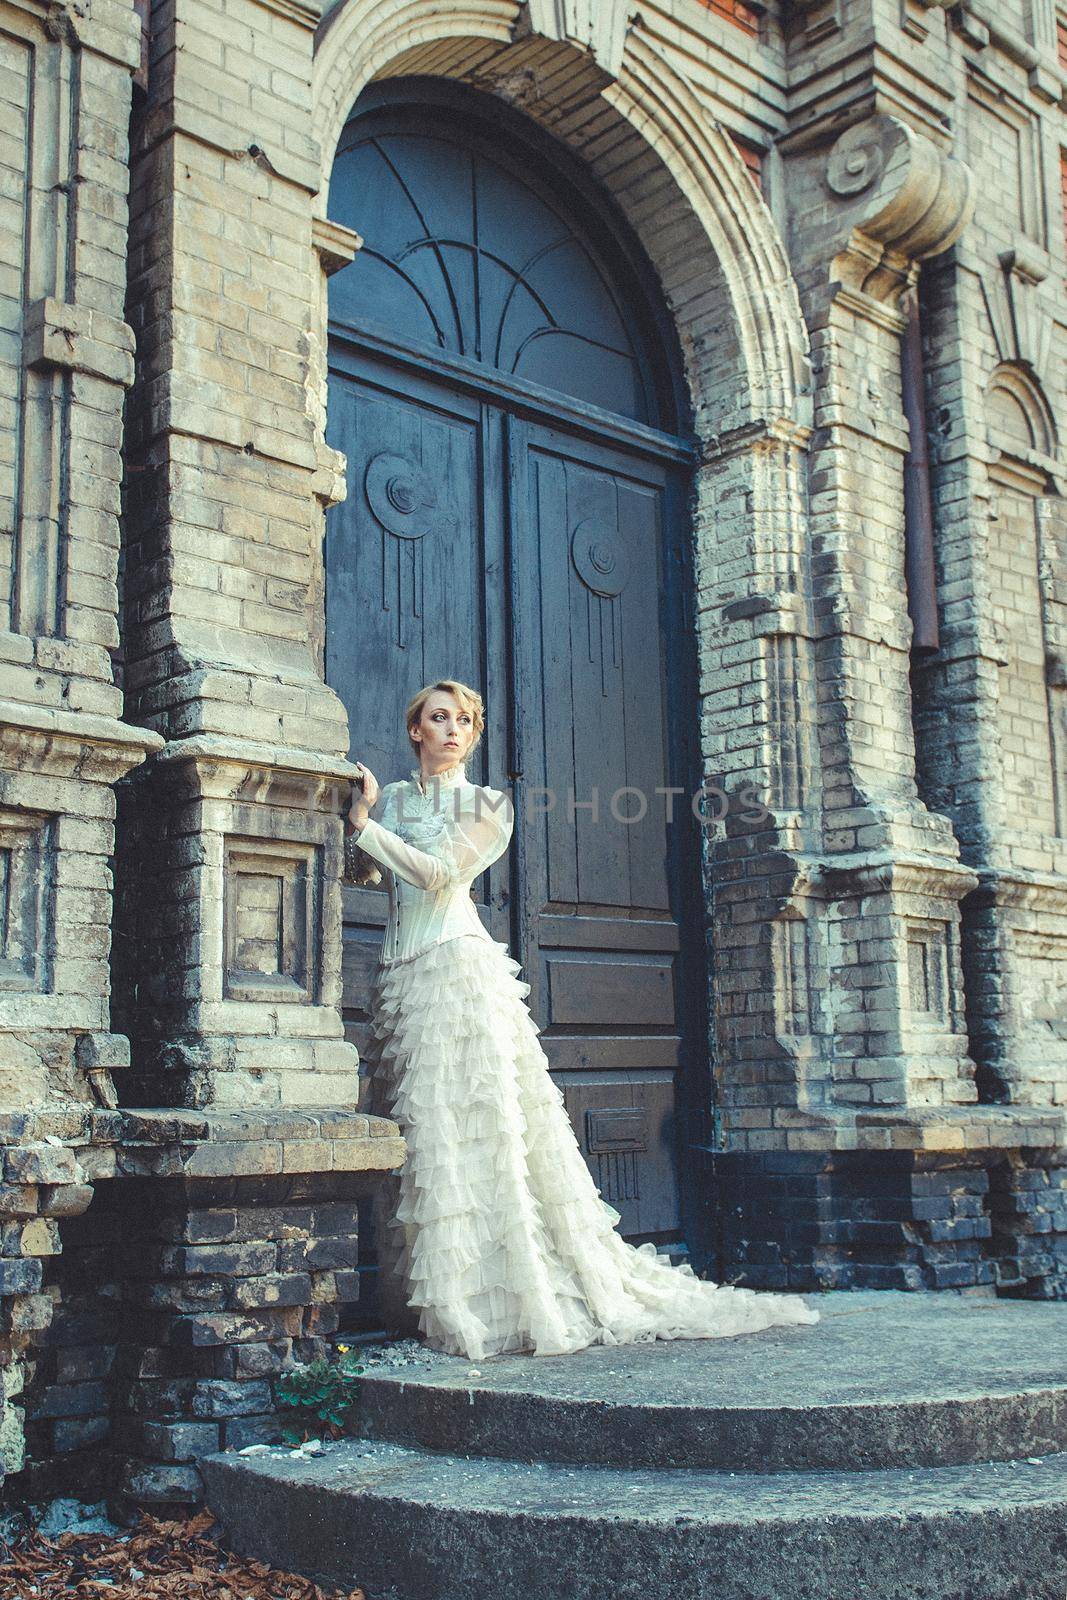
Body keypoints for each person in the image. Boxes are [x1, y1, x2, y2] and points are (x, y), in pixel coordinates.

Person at [343, 677, 820, 1361]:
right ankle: (441, 1301)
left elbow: (438, 876)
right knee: (429, 1135)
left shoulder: (489, 806)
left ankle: (501, 1305)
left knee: (482, 1132)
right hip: (401, 976)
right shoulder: (389, 798)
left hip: (457, 972)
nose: (453, 730)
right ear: (415, 729)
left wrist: (367, 831)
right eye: (438, 718)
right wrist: (356, 813)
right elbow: (367, 878)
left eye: (465, 721)